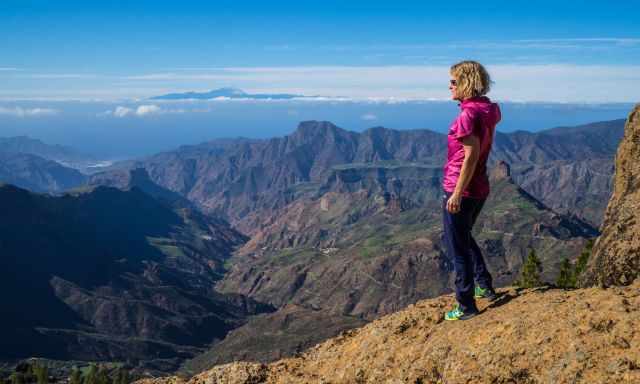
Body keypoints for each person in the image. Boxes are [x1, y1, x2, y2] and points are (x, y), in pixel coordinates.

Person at [442, 60, 501, 321]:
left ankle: (466, 305)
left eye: (454, 81)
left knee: (457, 248)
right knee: (464, 236)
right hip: (480, 187)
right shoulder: (485, 110)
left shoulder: (467, 115)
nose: (449, 86)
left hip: (462, 188)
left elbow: (471, 156)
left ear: (466, 83)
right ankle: (483, 284)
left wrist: (456, 193)